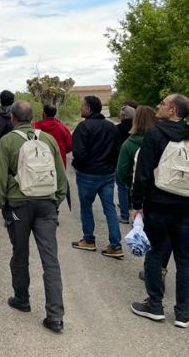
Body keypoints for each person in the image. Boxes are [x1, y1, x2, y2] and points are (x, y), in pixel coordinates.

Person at [130, 94, 189, 329]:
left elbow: (142, 173)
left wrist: (136, 205)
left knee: (155, 253)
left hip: (158, 204)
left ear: (173, 110)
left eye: (162, 104)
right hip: (185, 207)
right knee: (184, 258)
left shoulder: (154, 135)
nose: (158, 106)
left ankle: (155, 305)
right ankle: (183, 312)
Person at [0, 100, 66, 333]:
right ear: (32, 117)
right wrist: (57, 200)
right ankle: (55, 315)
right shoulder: (48, 139)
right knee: (50, 260)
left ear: (13, 118)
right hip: (46, 203)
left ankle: (22, 298)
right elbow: (61, 174)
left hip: (19, 204)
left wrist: (1, 203)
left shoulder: (8, 141)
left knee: (20, 252)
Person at [115, 106, 170, 283]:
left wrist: (131, 188)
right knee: (165, 235)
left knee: (148, 234)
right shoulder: (165, 139)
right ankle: (161, 267)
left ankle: (151, 272)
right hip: (166, 192)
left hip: (142, 194)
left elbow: (122, 171)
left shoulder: (130, 144)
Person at [70, 95, 123, 258]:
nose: (81, 108)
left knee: (86, 207)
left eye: (82, 106)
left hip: (88, 174)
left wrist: (79, 166)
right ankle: (115, 245)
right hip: (107, 174)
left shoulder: (83, 127)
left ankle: (88, 240)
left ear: (89, 108)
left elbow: (78, 153)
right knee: (110, 208)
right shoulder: (111, 127)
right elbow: (117, 151)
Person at [115, 102, 137, 223]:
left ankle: (124, 215)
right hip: (137, 162)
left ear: (123, 116)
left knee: (122, 188)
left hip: (121, 161)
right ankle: (137, 214)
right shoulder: (138, 129)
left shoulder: (117, 128)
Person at [33, 104, 72, 168]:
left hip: (40, 162)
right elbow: (69, 146)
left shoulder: (35, 126)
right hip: (58, 162)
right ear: (55, 113)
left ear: (44, 113)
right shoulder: (62, 128)